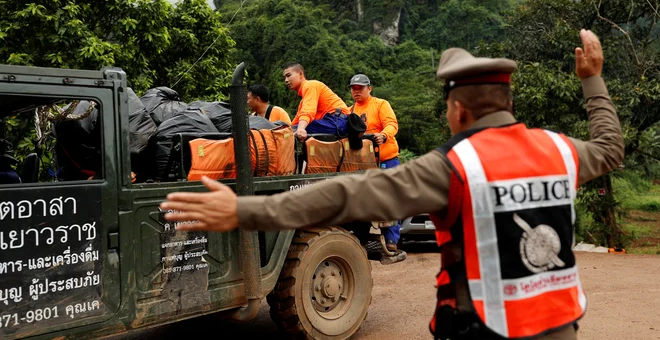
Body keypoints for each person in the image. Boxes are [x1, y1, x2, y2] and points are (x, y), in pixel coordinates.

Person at [160, 29, 624, 340]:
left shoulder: (453, 167)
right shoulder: (562, 150)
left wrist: (246, 211)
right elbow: (609, 147)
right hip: (564, 326)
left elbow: (346, 194)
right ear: (506, 99)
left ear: (457, 110)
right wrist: (593, 80)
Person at [348, 73, 402, 252]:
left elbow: (392, 124)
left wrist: (383, 135)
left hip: (386, 160)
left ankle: (391, 238)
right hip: (361, 164)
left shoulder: (380, 104)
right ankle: (361, 237)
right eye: (353, 89)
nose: (356, 92)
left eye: (360, 88)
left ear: (369, 88)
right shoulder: (349, 111)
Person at [282, 62, 350, 141]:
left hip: (338, 121)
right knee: (288, 132)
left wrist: (300, 128)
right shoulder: (303, 101)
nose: (286, 80)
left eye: (288, 75)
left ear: (300, 74)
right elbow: (295, 123)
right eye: (284, 78)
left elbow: (308, 110)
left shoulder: (310, 85)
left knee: (292, 131)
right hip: (332, 122)